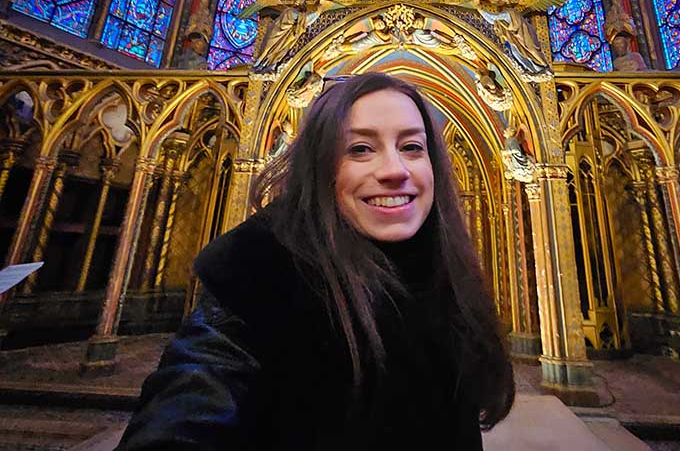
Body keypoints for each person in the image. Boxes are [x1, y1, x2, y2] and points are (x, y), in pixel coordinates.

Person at [117, 72, 514, 450]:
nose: (395, 170)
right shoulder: (257, 279)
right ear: (320, 168)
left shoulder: (448, 274)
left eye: (412, 147)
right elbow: (190, 404)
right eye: (360, 148)